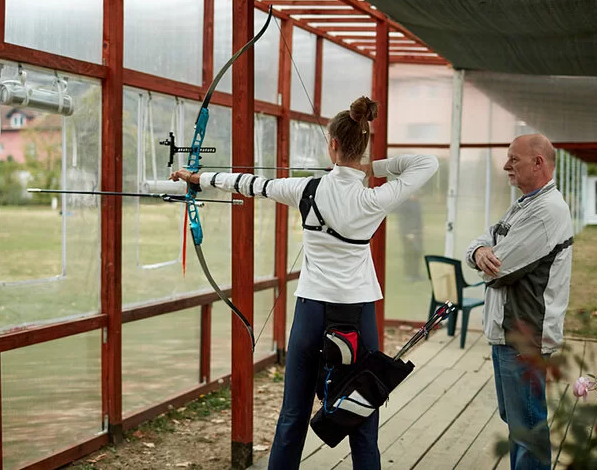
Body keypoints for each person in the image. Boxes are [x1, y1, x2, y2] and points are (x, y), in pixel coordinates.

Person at [171, 96, 438, 470]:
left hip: (311, 309)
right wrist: (368, 166)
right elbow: (428, 163)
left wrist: (197, 177)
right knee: (362, 406)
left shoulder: (305, 191)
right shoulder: (375, 198)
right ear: (361, 144)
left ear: (332, 144)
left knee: (293, 412)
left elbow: (249, 184)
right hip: (358, 310)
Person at [464, 134, 573, 470]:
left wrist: (487, 253)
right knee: (517, 422)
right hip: (507, 333)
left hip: (524, 336)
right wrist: (479, 251)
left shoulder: (545, 212)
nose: (506, 165)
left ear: (538, 162)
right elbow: (483, 244)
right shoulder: (526, 203)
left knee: (527, 429)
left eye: (514, 159)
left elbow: (499, 269)